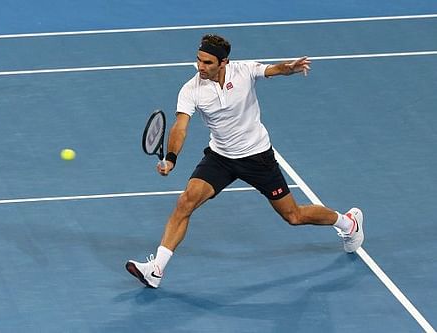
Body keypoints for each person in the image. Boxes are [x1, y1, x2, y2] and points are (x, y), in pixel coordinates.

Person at [126, 34, 364, 288]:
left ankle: (348, 222)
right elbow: (180, 127)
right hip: (220, 157)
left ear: (224, 62)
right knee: (185, 202)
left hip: (257, 157)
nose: (200, 67)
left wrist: (290, 69)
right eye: (198, 61)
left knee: (293, 216)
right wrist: (171, 158)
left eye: (207, 62)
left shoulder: (245, 71)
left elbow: (273, 70)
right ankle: (156, 269)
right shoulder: (191, 89)